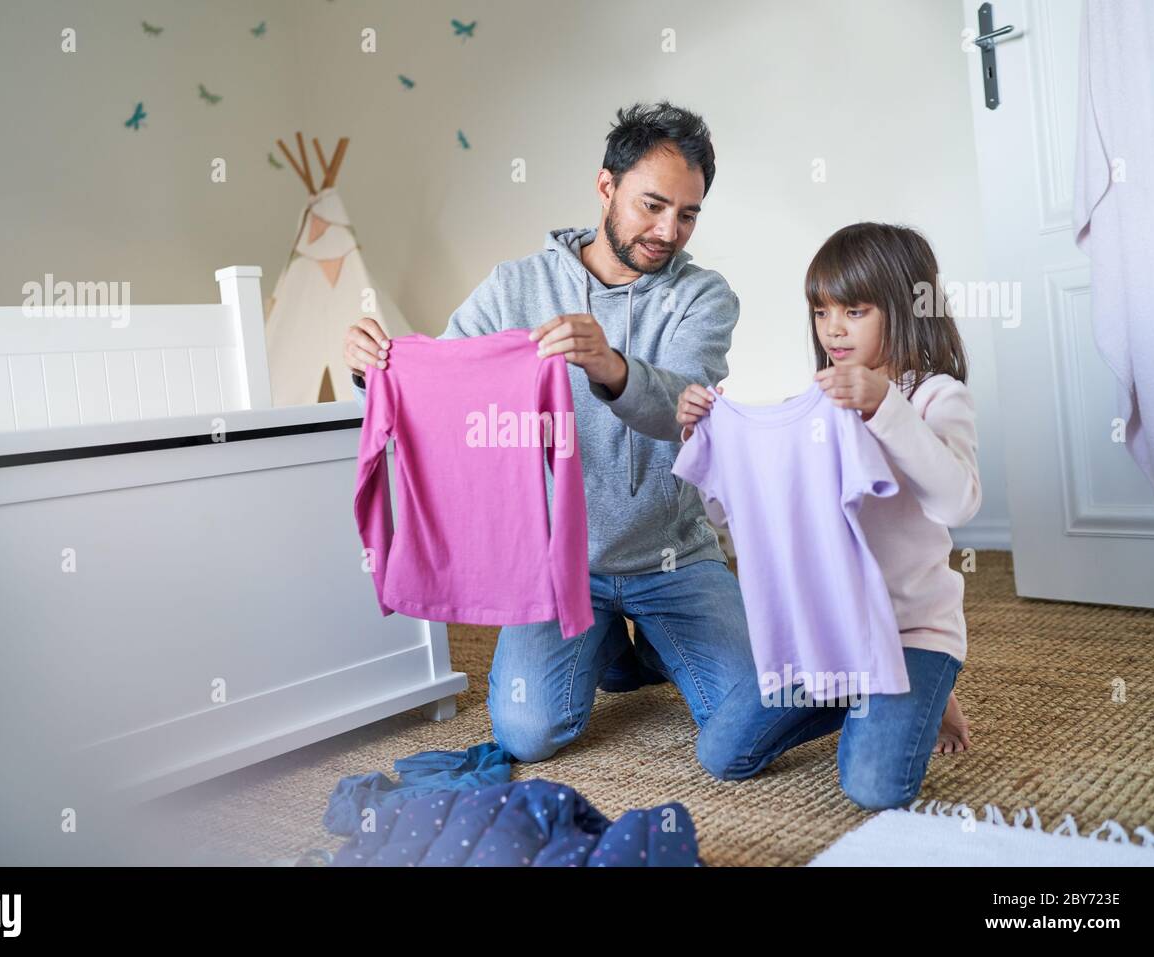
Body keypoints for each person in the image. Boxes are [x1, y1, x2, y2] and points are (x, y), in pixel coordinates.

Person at [343, 102, 751, 763]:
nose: (668, 230)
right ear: (605, 187)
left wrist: (611, 366)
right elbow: (445, 379)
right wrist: (375, 371)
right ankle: (610, 645)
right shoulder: (516, 286)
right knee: (528, 735)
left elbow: (682, 407)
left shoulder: (705, 296)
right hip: (561, 562)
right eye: (652, 205)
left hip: (672, 555)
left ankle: (649, 641)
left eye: (687, 213)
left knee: (750, 708)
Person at [676, 222, 978, 809]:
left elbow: (957, 500)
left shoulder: (937, 397)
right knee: (721, 752)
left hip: (911, 629)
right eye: (820, 311)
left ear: (907, 307)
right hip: (829, 627)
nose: (832, 328)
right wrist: (702, 438)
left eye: (854, 310)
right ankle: (864, 695)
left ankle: (928, 684)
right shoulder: (818, 406)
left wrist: (884, 406)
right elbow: (736, 510)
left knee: (871, 785)